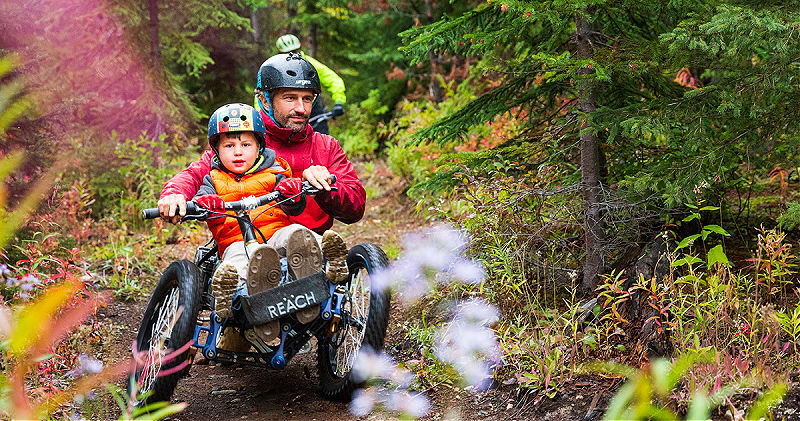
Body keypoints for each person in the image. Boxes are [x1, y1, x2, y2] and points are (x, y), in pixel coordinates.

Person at [157, 53, 364, 318]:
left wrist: (326, 188)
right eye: (290, 98)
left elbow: (356, 206)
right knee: (241, 331)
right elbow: (196, 173)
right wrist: (174, 194)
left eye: (307, 99)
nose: (301, 108)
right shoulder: (245, 140)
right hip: (248, 246)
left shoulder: (325, 146)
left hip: (308, 253)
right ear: (265, 99)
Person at [194, 102, 323, 345]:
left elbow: (294, 205)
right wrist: (206, 205)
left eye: (246, 145)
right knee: (237, 265)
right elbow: (201, 204)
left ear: (259, 146)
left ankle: (321, 266)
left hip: (276, 235)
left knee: (297, 234)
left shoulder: (274, 172)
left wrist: (291, 192)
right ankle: (235, 300)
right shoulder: (213, 179)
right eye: (229, 146)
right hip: (235, 242)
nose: (238, 152)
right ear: (217, 150)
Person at [273, 33, 346, 135]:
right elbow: (263, 93)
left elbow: (332, 79)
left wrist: (339, 101)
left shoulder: (309, 63)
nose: (293, 54)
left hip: (314, 111)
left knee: (322, 142)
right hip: (286, 114)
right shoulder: (275, 67)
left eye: (295, 51)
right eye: (289, 52)